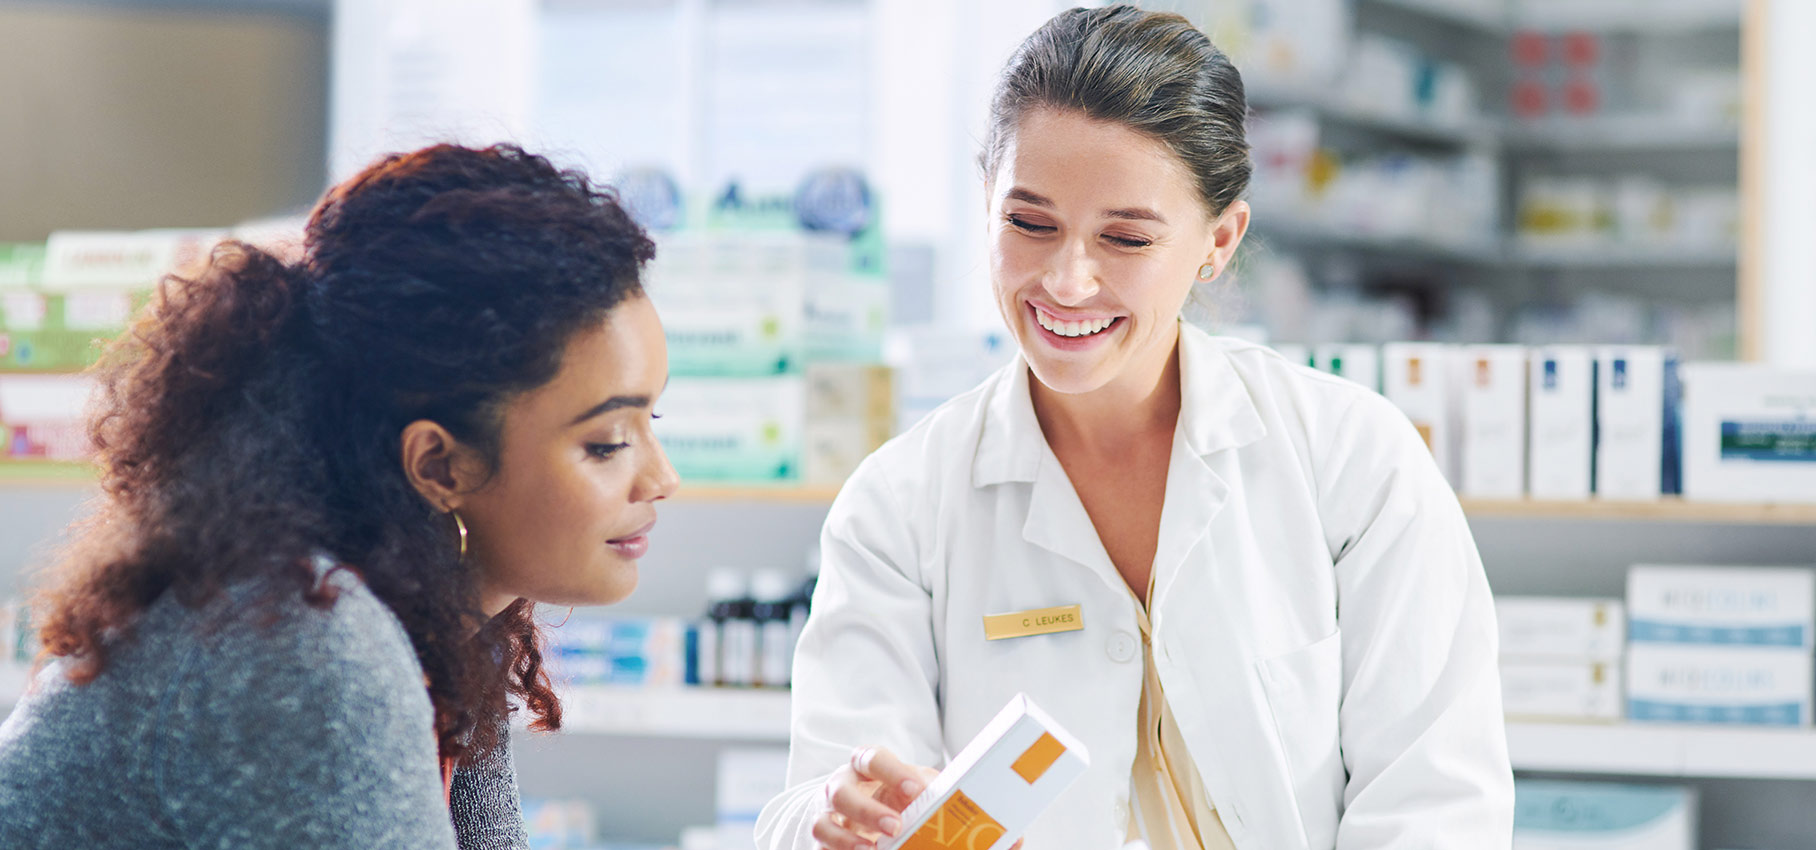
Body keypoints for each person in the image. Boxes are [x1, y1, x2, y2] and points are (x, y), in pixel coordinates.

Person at [755, 7, 1512, 850]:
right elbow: (832, 789)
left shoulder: (1352, 462)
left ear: (1217, 241)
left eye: (1125, 237)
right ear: (985, 203)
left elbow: (1433, 804)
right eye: (1028, 222)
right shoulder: (900, 508)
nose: (1066, 281)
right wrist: (836, 819)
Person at [0, 143, 679, 849]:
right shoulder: (303, 643)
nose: (661, 478)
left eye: (650, 422)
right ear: (439, 466)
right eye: (606, 442)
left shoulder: (441, 630)